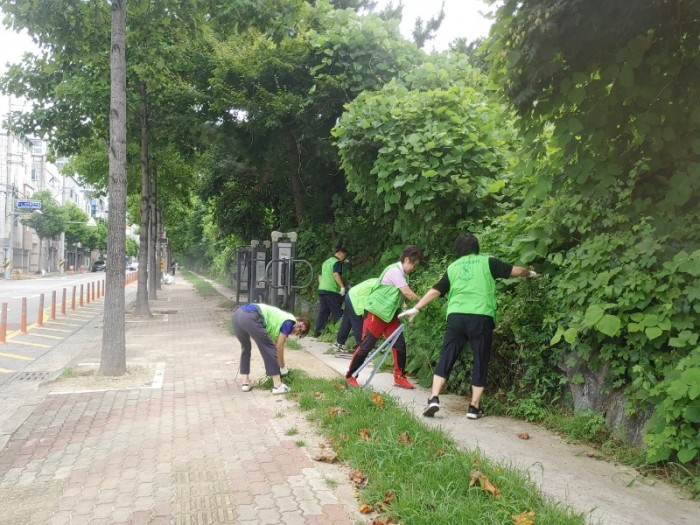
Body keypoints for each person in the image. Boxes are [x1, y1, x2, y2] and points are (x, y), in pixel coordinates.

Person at [398, 233, 538, 419]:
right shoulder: (488, 262)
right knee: (480, 358)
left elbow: (436, 290)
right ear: (476, 247)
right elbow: (518, 271)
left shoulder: (453, 267)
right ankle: (474, 407)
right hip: (481, 317)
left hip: (456, 317)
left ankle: (433, 398)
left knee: (447, 355)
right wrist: (532, 273)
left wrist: (417, 308)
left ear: (458, 250)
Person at [345, 245, 423, 389]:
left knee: (400, 346)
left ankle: (399, 377)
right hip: (376, 313)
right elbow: (406, 292)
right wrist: (423, 303)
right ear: (406, 259)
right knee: (365, 347)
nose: (414, 268)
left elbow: (398, 295)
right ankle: (350, 376)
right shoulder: (394, 271)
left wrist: (405, 307)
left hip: (390, 315)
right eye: (414, 264)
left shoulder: (404, 274)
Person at [231, 303, 311, 394]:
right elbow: (278, 348)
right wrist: (282, 367)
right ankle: (278, 385)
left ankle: (245, 382)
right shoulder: (289, 322)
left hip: (237, 315)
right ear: (298, 320)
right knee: (269, 349)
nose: (297, 329)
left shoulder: (280, 321)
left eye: (300, 332)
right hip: (251, 314)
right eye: (300, 326)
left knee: (246, 347)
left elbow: (276, 343)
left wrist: (279, 363)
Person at [331, 277, 378, 356]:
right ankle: (363, 348)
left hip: (350, 295)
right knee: (358, 323)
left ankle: (339, 343)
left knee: (347, 321)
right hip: (355, 300)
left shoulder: (377, 280)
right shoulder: (381, 286)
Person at [313, 246, 348, 337]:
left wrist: (323, 285)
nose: (344, 259)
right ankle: (342, 333)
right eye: (344, 256)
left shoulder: (326, 262)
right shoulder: (336, 262)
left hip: (322, 290)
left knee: (323, 311)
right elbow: (336, 274)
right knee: (337, 312)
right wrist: (342, 287)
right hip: (331, 291)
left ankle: (318, 331)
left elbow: (320, 276)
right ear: (340, 253)